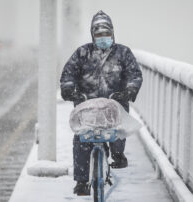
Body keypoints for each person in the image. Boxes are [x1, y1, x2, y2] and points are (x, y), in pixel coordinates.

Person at [60, 10, 143, 196]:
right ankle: (81, 181)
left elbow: (134, 74)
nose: (103, 37)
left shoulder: (123, 53)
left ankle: (118, 154)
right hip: (86, 106)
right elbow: (68, 74)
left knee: (117, 132)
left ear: (112, 33)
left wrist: (129, 90)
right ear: (92, 35)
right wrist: (70, 90)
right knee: (82, 140)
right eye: (98, 34)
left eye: (106, 34)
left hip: (114, 104)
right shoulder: (82, 53)